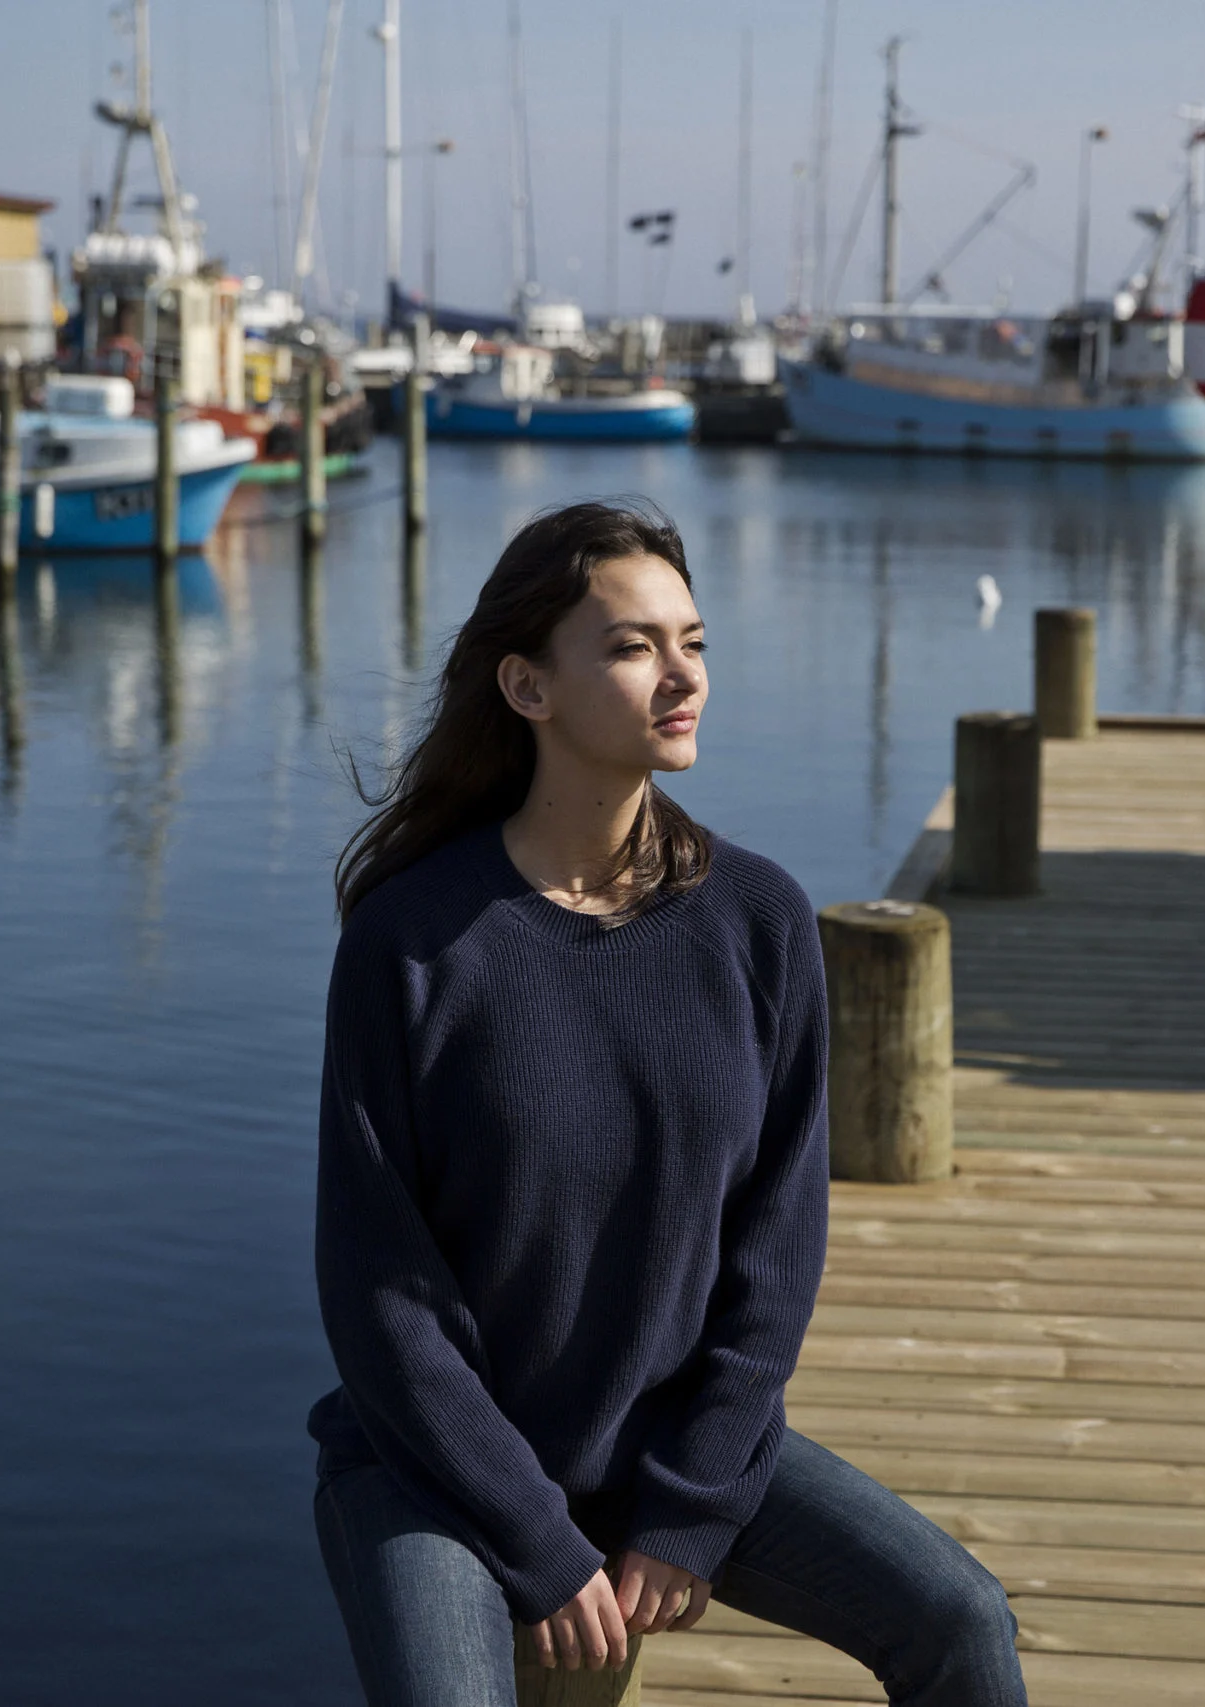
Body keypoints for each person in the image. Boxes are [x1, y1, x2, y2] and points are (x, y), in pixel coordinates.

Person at [308, 501, 1027, 1705]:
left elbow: (775, 1248)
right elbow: (383, 1296)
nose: (681, 674)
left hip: (661, 1449)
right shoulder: (416, 942)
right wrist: (539, 1544)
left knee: (959, 1622)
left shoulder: (757, 919)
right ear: (528, 688)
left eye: (691, 641)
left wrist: (689, 1505)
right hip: (432, 1471)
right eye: (634, 647)